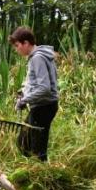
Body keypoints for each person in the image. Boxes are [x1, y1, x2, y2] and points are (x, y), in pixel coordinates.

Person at [8, 26, 59, 162]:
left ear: (26, 43)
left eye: (17, 45)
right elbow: (36, 82)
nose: (16, 49)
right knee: (25, 143)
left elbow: (44, 88)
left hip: (44, 107)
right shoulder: (37, 56)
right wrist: (24, 91)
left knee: (36, 149)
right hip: (43, 106)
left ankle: (41, 177)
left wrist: (24, 100)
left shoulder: (38, 58)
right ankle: (34, 173)